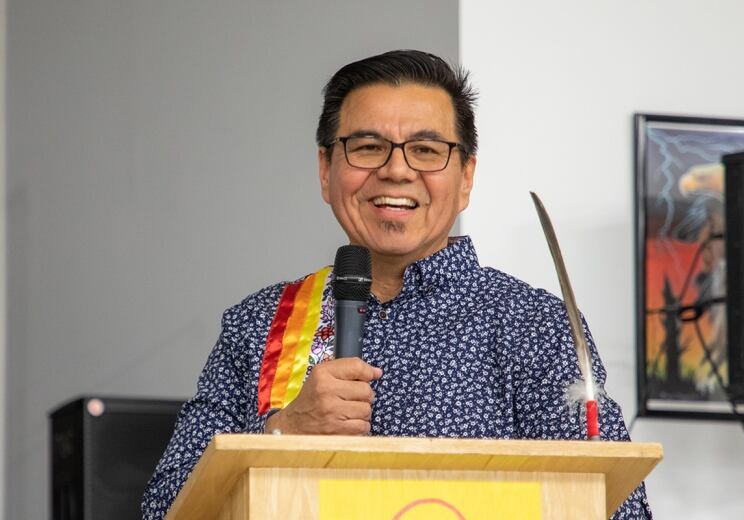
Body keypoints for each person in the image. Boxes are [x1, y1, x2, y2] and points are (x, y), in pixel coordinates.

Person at [142, 50, 651, 519]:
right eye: (368, 147)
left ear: (466, 176)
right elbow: (165, 508)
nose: (396, 171)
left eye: (426, 150)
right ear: (325, 169)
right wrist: (282, 431)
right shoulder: (260, 324)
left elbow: (616, 507)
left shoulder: (533, 325)